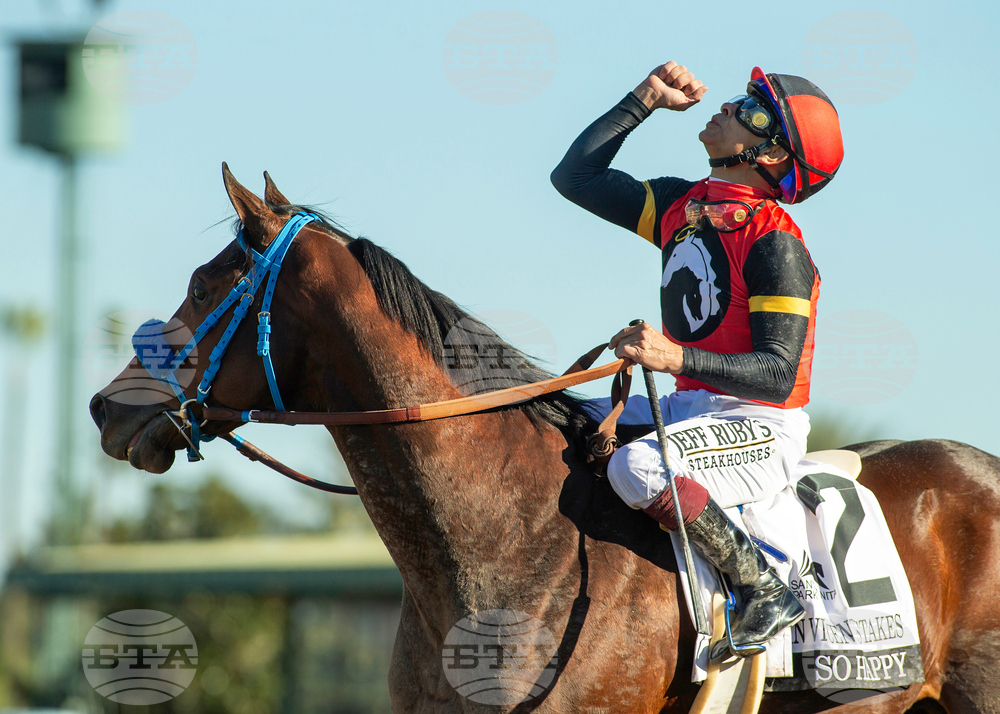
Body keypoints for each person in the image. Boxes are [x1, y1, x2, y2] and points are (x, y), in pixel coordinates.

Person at [551, 62, 843, 661]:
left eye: (751, 111)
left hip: (761, 424)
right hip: (693, 408)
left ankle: (763, 586)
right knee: (552, 416)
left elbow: (777, 374)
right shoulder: (683, 205)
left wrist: (672, 354)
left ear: (772, 155)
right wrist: (644, 99)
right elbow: (575, 177)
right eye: (740, 98)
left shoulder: (776, 241)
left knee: (636, 467)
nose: (729, 107)